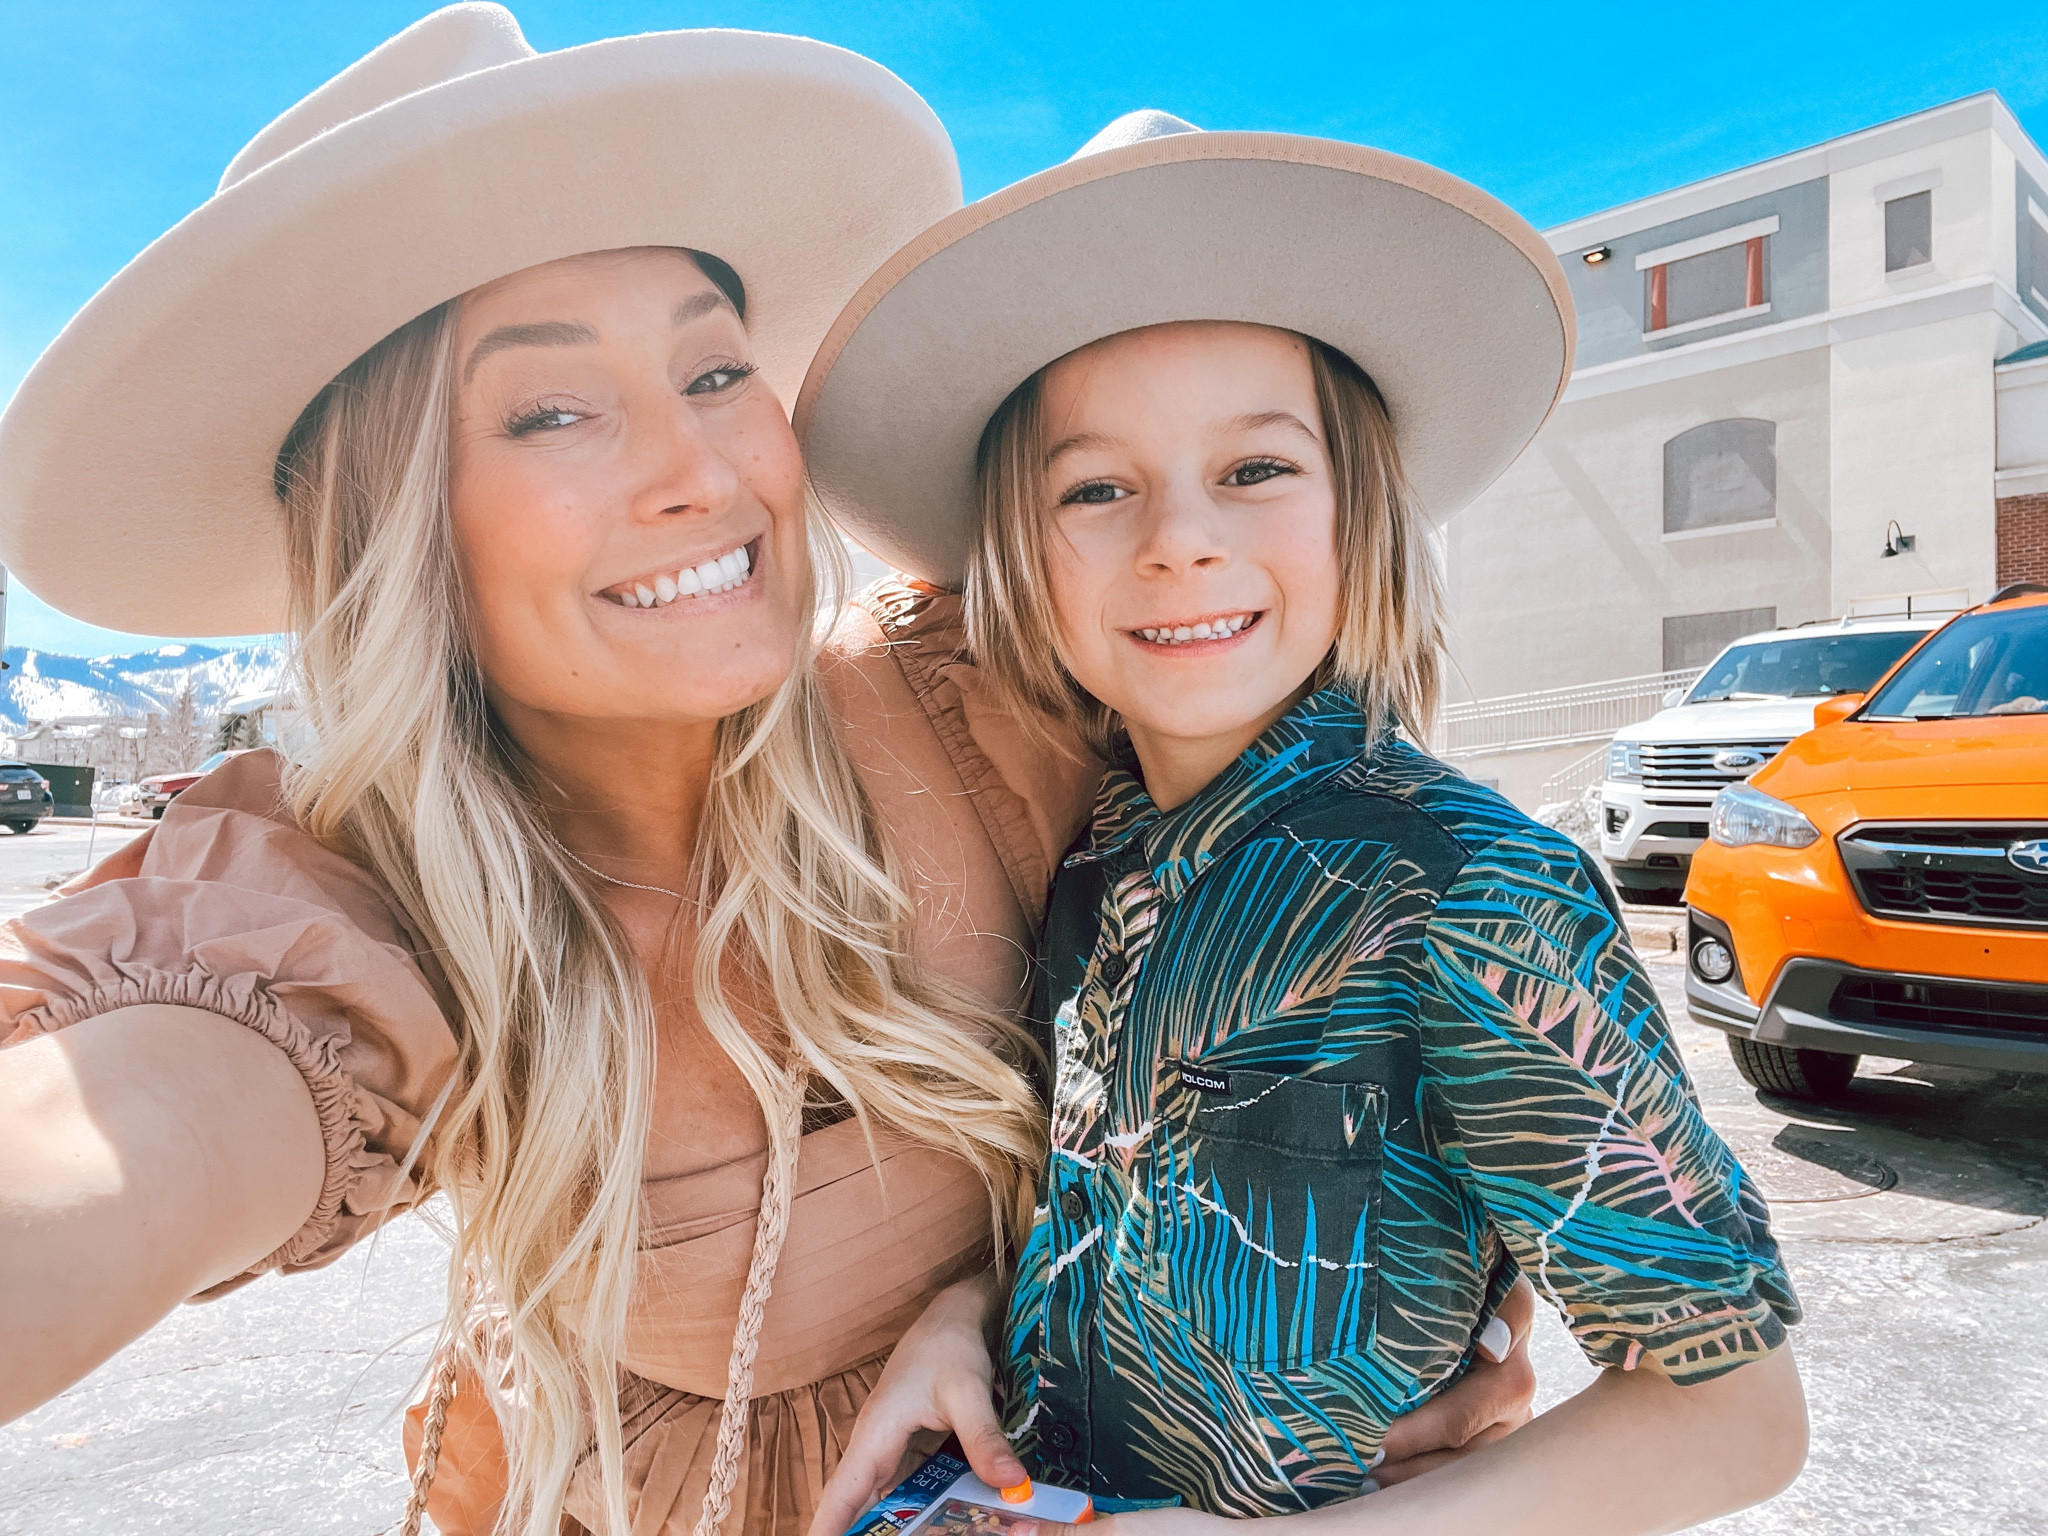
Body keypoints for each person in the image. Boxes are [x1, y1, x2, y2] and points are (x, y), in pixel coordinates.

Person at [0, 19, 1536, 1536]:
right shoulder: (347, 910)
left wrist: (1419, 1287)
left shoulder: (984, 706)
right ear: (394, 525)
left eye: (717, 370)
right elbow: (107, 1147)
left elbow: (1366, 955)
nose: (704, 470)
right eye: (553, 410)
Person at [797, 113, 1807, 1536]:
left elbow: (1735, 1420)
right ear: (1021, 554)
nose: (1179, 538)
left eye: (1256, 469)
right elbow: (1098, 1200)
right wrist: (963, 1317)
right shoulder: (1091, 857)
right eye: (1096, 487)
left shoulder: (1473, 892)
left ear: (1360, 510)